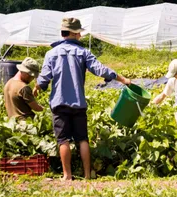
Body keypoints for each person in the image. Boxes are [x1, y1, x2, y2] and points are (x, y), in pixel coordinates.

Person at [33, 18, 132, 180]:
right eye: (78, 32)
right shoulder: (83, 52)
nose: (80, 35)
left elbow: (44, 78)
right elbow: (100, 69)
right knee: (82, 139)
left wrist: (37, 87)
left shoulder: (51, 54)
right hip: (78, 103)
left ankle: (67, 176)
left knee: (63, 140)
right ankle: (86, 175)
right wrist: (122, 79)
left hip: (59, 104)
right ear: (72, 33)